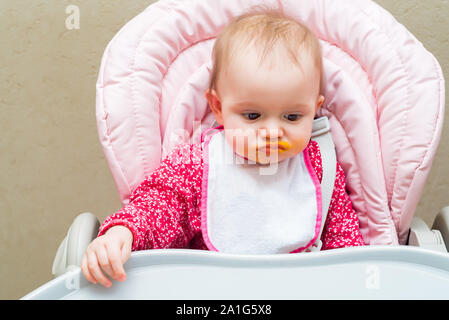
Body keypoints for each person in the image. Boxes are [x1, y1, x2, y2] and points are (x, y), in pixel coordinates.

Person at [81, 9, 365, 288]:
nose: (272, 132)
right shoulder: (197, 165)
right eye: (252, 116)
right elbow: (159, 207)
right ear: (218, 107)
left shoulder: (319, 167)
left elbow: (343, 238)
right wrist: (123, 233)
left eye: (292, 117)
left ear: (314, 111)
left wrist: (353, 280)